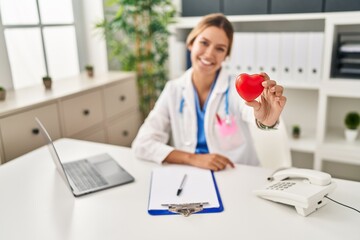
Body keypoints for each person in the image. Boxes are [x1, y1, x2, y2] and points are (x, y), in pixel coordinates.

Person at [132, 13, 287, 171]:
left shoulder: (236, 88)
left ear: (226, 56)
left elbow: (252, 111)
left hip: (237, 173)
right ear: (191, 43)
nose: (209, 54)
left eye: (220, 49)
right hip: (191, 172)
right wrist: (193, 158)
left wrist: (266, 120)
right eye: (204, 43)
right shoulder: (173, 90)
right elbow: (142, 144)